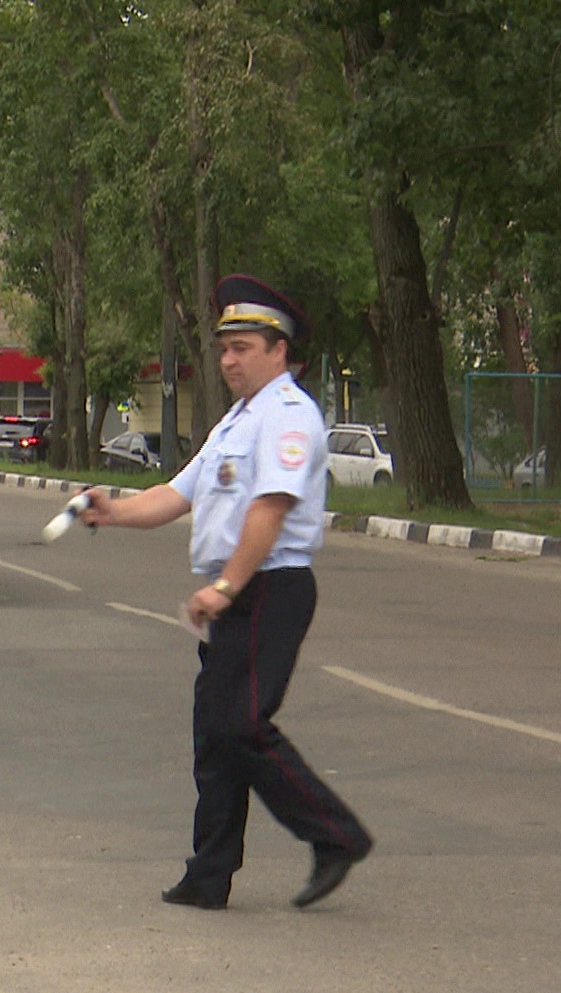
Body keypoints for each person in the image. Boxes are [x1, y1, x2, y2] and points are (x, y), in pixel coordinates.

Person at [78, 275, 372, 911]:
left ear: (277, 349)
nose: (229, 360)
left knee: (241, 723)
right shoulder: (235, 422)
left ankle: (336, 834)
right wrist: (112, 510)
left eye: (241, 347)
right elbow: (177, 494)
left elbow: (269, 510)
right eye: (224, 348)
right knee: (215, 734)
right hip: (239, 588)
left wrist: (225, 586)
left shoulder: (290, 417)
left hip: (270, 586)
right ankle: (208, 875)